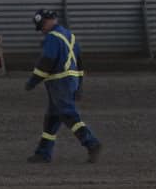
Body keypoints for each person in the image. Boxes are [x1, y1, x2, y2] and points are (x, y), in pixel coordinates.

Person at [24, 8, 102, 164]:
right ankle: (43, 153)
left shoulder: (52, 37)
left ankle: (91, 143)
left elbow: (47, 61)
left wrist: (33, 81)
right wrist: (79, 86)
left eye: (41, 27)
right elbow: (79, 62)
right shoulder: (69, 35)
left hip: (60, 82)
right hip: (70, 80)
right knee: (52, 118)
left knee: (68, 114)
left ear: (46, 21)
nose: (42, 31)